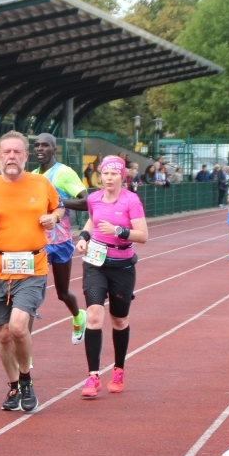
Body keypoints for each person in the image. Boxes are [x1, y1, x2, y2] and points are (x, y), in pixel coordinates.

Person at [0, 131, 61, 412]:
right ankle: (14, 385)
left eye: (17, 152)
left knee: (18, 327)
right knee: (4, 334)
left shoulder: (41, 184)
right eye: (6, 152)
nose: (11, 157)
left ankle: (26, 380)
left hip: (32, 266)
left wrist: (53, 218)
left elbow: (59, 209)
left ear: (26, 156)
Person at [73, 156, 148, 397]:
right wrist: (84, 237)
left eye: (113, 174)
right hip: (95, 264)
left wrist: (119, 231)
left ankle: (118, 369)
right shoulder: (94, 198)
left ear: (121, 176)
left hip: (122, 266)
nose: (108, 178)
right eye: (105, 174)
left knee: (119, 320)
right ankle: (92, 376)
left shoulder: (131, 200)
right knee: (94, 315)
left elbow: (143, 235)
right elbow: (91, 221)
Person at [32, 133, 88, 344]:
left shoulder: (63, 173)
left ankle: (78, 316)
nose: (40, 148)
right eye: (37, 145)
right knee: (31, 293)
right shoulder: (33, 176)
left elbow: (86, 201)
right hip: (38, 242)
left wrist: (59, 203)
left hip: (61, 242)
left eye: (45, 145)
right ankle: (24, 348)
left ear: (54, 149)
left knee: (62, 293)